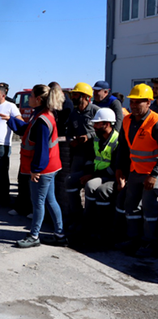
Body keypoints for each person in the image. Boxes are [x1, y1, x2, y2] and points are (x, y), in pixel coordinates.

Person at [3, 84, 66, 248]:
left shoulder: (42, 120)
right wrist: (10, 120)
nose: (28, 98)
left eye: (30, 96)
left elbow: (42, 149)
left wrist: (36, 170)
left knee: (38, 202)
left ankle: (34, 236)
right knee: (50, 200)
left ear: (38, 99)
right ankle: (59, 234)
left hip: (43, 169)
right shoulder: (41, 115)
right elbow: (26, 130)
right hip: (50, 167)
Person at [116, 84, 158, 257]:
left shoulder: (155, 121)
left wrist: (154, 174)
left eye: (138, 102)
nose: (133, 105)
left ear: (148, 103)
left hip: (151, 175)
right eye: (132, 101)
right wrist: (120, 171)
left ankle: (151, 244)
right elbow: (124, 149)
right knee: (130, 205)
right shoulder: (127, 120)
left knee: (150, 209)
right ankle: (133, 239)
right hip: (135, 172)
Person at [78, 108, 119, 244]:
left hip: (111, 176)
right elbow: (90, 158)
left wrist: (92, 176)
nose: (94, 126)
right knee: (74, 182)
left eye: (97, 124)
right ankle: (88, 222)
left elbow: (115, 167)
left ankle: (102, 228)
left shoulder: (117, 141)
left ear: (106, 124)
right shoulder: (97, 139)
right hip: (97, 174)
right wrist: (89, 173)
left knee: (94, 187)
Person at [65, 82, 100, 234]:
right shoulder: (73, 114)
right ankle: (76, 217)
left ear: (86, 97)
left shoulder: (96, 111)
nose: (73, 97)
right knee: (72, 184)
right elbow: (68, 132)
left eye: (76, 95)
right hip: (78, 155)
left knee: (90, 188)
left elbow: (106, 130)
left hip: (95, 156)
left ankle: (90, 221)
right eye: (73, 94)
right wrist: (71, 139)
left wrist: (89, 136)